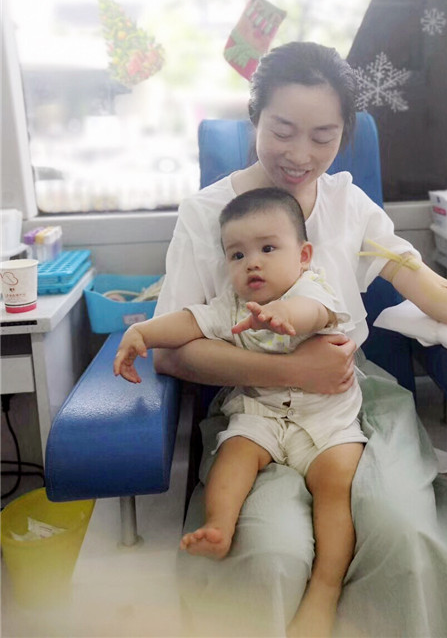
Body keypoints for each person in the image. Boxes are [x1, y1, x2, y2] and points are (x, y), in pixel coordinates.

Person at [153, 42, 447, 638]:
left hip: (352, 401)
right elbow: (171, 350)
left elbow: (437, 294)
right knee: (270, 554)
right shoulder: (206, 213)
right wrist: (291, 371)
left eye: (323, 136)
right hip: (253, 409)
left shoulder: (348, 206)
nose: (300, 154)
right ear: (254, 117)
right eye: (282, 130)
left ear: (346, 135)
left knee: (403, 534)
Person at [114, 187, 366, 636]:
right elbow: (190, 320)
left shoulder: (313, 289)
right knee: (233, 454)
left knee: (337, 482)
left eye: (268, 249)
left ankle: (325, 589)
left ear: (303, 255)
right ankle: (220, 527)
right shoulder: (230, 307)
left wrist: (283, 315)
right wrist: (144, 334)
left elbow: (312, 313)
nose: (252, 263)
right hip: (260, 411)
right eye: (237, 254)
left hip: (326, 419)